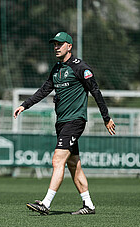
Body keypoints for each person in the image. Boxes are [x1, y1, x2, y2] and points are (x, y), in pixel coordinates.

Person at [13, 32, 116, 215]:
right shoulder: (57, 69)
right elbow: (44, 90)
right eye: (54, 44)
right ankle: (89, 205)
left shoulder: (80, 67)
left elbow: (96, 91)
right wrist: (24, 105)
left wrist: (106, 117)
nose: (56, 47)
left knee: (57, 160)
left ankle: (46, 203)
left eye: (60, 44)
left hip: (75, 121)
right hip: (61, 122)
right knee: (73, 164)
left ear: (69, 46)